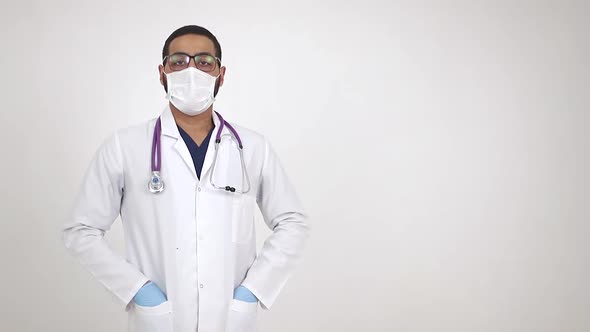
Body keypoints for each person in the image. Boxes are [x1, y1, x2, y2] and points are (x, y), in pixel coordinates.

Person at [62, 25, 310, 332]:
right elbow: (81, 230)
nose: (191, 70)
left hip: (230, 319)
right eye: (178, 61)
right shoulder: (125, 146)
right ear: (162, 72)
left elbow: (292, 222)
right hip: (159, 318)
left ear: (221, 74)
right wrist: (138, 290)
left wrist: (253, 290)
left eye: (204, 61)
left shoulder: (252, 147)